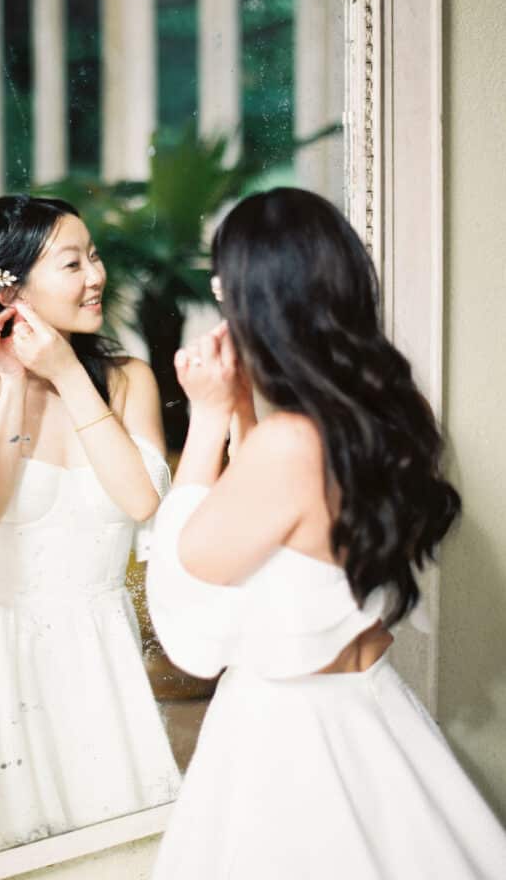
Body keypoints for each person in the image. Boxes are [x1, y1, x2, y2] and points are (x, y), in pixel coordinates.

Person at [146, 188, 506, 879]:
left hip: (289, 745)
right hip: (373, 714)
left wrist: (208, 419)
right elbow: (293, 553)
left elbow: (185, 601)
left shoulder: (289, 447)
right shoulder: (397, 414)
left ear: (254, 301)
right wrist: (248, 413)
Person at [0, 194, 180, 872]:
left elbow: (141, 498)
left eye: (94, 256)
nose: (97, 275)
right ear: (9, 284)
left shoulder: (127, 379)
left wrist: (62, 372)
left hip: (99, 656)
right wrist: (13, 386)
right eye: (72, 262)